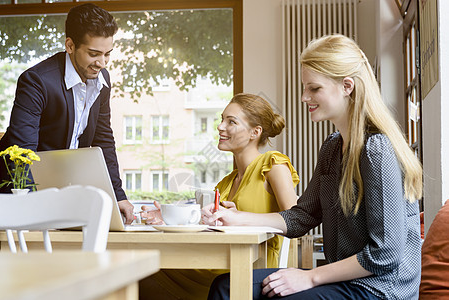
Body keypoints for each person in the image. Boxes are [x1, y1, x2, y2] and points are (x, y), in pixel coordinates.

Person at [204, 34, 423, 299]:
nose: (303, 97)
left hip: (379, 288)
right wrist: (237, 219)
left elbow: (385, 253)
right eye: (304, 88)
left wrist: (309, 276)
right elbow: (301, 217)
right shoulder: (332, 148)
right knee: (225, 286)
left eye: (314, 88)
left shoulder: (376, 151)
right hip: (345, 280)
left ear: (347, 86)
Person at [139, 93, 300, 300]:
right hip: (217, 263)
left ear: (255, 132)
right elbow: (206, 225)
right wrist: (168, 216)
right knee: (138, 267)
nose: (220, 126)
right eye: (222, 119)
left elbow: (296, 218)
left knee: (140, 272)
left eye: (231, 121)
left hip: (247, 270)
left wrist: (241, 217)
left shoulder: (273, 165)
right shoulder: (225, 183)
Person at [0, 3, 134, 223]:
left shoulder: (102, 79)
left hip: (64, 192)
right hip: (19, 195)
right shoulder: (36, 82)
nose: (102, 63)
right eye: (94, 54)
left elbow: (103, 140)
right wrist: (37, 209)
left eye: (107, 54)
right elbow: (22, 152)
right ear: (70, 45)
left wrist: (117, 195)